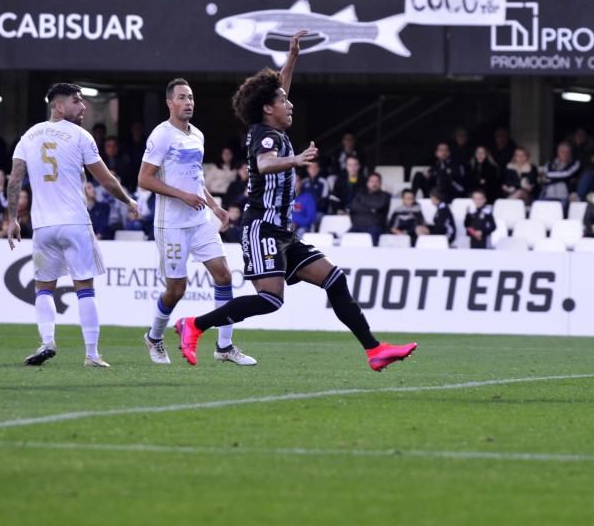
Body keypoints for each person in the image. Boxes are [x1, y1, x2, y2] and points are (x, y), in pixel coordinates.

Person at [172, 32, 417, 372]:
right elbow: (264, 164)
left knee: (334, 279)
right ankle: (195, 325)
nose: (290, 105)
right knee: (271, 299)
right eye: (283, 103)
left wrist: (292, 57)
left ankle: (375, 351)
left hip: (282, 232)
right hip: (261, 229)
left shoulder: (271, 124)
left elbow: (280, 88)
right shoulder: (266, 135)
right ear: (268, 109)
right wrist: (297, 158)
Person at [7, 83, 138, 368]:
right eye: (77, 102)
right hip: (75, 224)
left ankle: (46, 341)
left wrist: (12, 219)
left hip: (43, 227)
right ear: (59, 107)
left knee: (43, 287)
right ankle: (91, 354)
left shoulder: (28, 136)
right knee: (84, 288)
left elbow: (15, 178)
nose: (83, 107)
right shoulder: (80, 136)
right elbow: (106, 180)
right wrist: (129, 201)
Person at [136, 79, 253, 366]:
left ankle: (224, 346)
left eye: (190, 97)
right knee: (177, 289)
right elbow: (144, 178)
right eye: (182, 97)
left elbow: (196, 180)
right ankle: (154, 336)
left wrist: (215, 207)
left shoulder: (196, 135)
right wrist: (182, 196)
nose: (188, 102)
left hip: (199, 219)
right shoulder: (161, 135)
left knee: (224, 275)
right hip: (172, 224)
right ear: (170, 103)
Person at [348, 172, 390, 245]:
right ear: (367, 183)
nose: (374, 184)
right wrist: (371, 209)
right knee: (345, 239)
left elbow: (378, 205)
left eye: (377, 181)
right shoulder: (360, 194)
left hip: (374, 228)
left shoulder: (385, 195)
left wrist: (362, 202)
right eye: (372, 181)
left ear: (380, 183)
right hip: (357, 227)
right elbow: (353, 206)